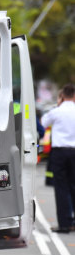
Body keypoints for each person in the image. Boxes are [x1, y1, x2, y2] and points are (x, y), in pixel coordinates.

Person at [41, 83, 75, 233]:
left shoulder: (57, 111)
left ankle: (65, 224)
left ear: (62, 96)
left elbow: (43, 123)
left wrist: (58, 105)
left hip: (60, 153)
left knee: (61, 188)